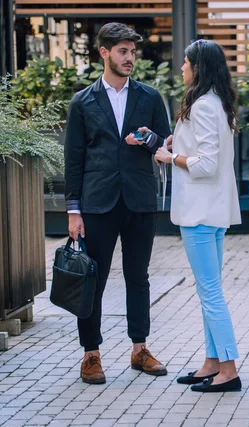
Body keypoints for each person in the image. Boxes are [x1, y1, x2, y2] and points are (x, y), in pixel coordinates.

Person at [64, 22, 171, 384]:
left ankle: (140, 349)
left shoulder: (150, 97)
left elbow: (166, 144)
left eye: (132, 51)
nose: (130, 58)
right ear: (104, 53)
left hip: (139, 200)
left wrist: (150, 138)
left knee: (138, 277)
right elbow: (74, 158)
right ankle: (91, 354)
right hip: (97, 203)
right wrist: (73, 210)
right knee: (93, 281)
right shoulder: (83, 101)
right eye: (123, 51)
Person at [154, 39, 242, 393]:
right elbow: (209, 152)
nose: (182, 67)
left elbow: (206, 165)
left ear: (198, 67)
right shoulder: (215, 103)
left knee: (209, 292)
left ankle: (229, 368)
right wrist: (178, 144)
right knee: (209, 290)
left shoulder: (204, 106)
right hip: (212, 211)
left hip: (200, 213)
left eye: (186, 62)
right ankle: (211, 362)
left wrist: (169, 158)